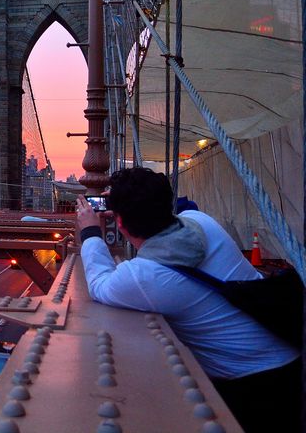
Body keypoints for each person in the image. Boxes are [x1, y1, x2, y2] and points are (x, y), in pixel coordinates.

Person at [75, 167, 301, 432]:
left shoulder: (145, 276)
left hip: (251, 384)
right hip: (292, 352)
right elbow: (178, 215)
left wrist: (90, 232)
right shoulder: (201, 221)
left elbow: (99, 284)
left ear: (120, 223)